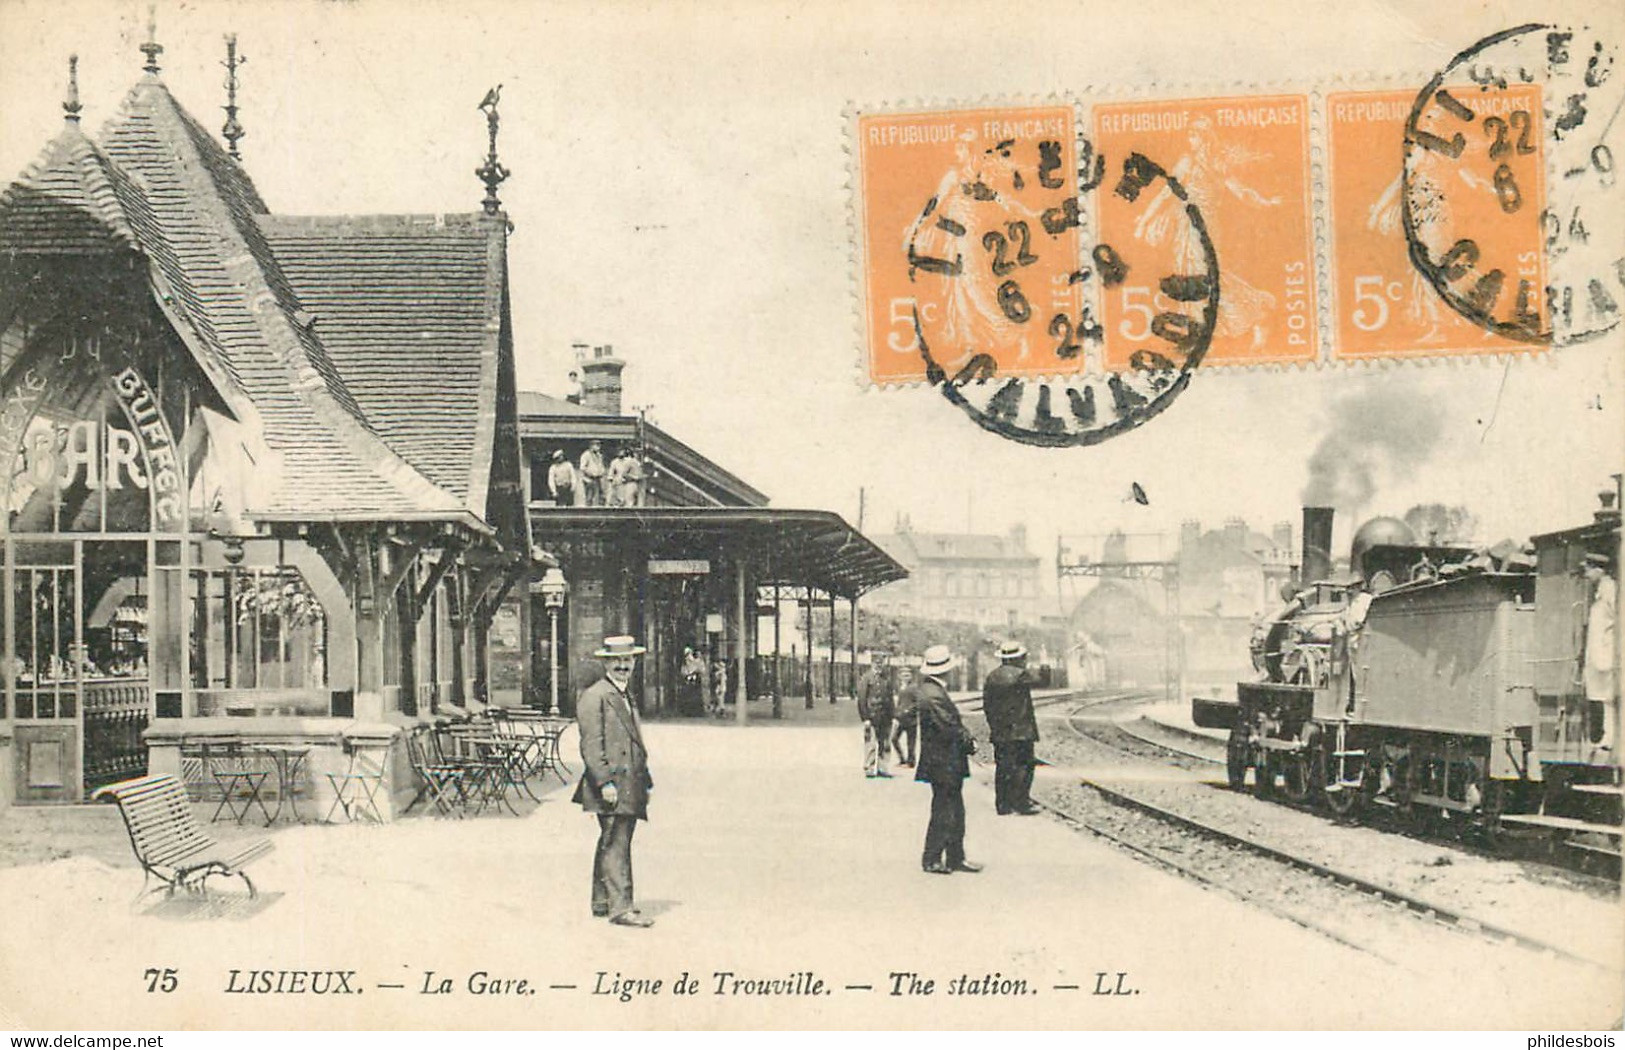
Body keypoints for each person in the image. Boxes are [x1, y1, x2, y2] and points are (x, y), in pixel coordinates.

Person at [571, 635, 655, 927]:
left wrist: (645, 781)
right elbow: (592, 745)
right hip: (611, 784)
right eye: (617, 661)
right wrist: (604, 782)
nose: (623, 666)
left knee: (611, 839)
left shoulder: (623, 695)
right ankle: (621, 908)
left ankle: (602, 900)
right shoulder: (596, 696)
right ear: (606, 663)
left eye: (627, 660)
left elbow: (634, 742)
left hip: (629, 781)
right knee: (617, 842)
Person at [914, 645, 981, 875]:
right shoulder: (933, 694)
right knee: (944, 810)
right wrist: (969, 742)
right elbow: (948, 726)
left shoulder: (932, 690)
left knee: (953, 809)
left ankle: (955, 857)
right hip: (943, 761)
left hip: (944, 761)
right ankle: (932, 859)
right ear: (945, 670)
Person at [982, 641, 1041, 815]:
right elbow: (1044, 680)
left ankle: (1003, 805)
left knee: (1003, 767)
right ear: (1018, 658)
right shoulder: (1021, 675)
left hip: (1000, 731)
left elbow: (987, 705)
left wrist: (994, 726)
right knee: (1025, 765)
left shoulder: (992, 677)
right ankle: (1021, 803)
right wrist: (1044, 662)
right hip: (1021, 731)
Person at [1583, 554, 1617, 749]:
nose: (1586, 574)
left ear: (1599, 569)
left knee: (1608, 698)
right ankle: (1605, 736)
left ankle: (1611, 737)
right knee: (1599, 696)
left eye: (1588, 569)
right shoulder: (1600, 591)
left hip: (1606, 652)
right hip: (1598, 654)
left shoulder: (1610, 590)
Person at [856, 653, 895, 777]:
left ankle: (883, 768)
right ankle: (869, 767)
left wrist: (892, 715)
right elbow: (862, 699)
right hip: (872, 716)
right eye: (877, 663)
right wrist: (865, 718)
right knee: (871, 743)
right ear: (872, 663)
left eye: (881, 663)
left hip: (885, 716)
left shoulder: (886, 679)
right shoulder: (866, 678)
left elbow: (890, 698)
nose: (879, 666)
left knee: (884, 743)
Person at [890, 666, 919, 767]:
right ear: (899, 676)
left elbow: (918, 702)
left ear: (911, 676)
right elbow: (899, 702)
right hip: (900, 719)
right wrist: (895, 714)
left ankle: (911, 762)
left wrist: (908, 710)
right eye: (903, 675)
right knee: (894, 738)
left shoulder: (914, 687)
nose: (905, 677)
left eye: (907, 675)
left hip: (911, 719)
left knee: (910, 742)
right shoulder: (900, 687)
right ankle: (902, 759)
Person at [578, 440, 606, 507]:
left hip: (598, 478)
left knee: (600, 496)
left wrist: (602, 471)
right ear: (591, 446)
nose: (598, 447)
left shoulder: (599, 455)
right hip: (589, 479)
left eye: (599, 445)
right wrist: (591, 473)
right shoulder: (586, 455)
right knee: (589, 496)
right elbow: (582, 467)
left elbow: (601, 465)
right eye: (596, 445)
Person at [680, 645, 707, 716]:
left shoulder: (697, 661)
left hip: (695, 679)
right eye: (686, 655)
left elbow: (702, 670)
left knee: (695, 696)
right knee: (689, 695)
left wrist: (695, 672)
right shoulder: (685, 663)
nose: (688, 656)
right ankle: (688, 711)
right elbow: (683, 671)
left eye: (689, 654)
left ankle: (696, 711)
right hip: (688, 680)